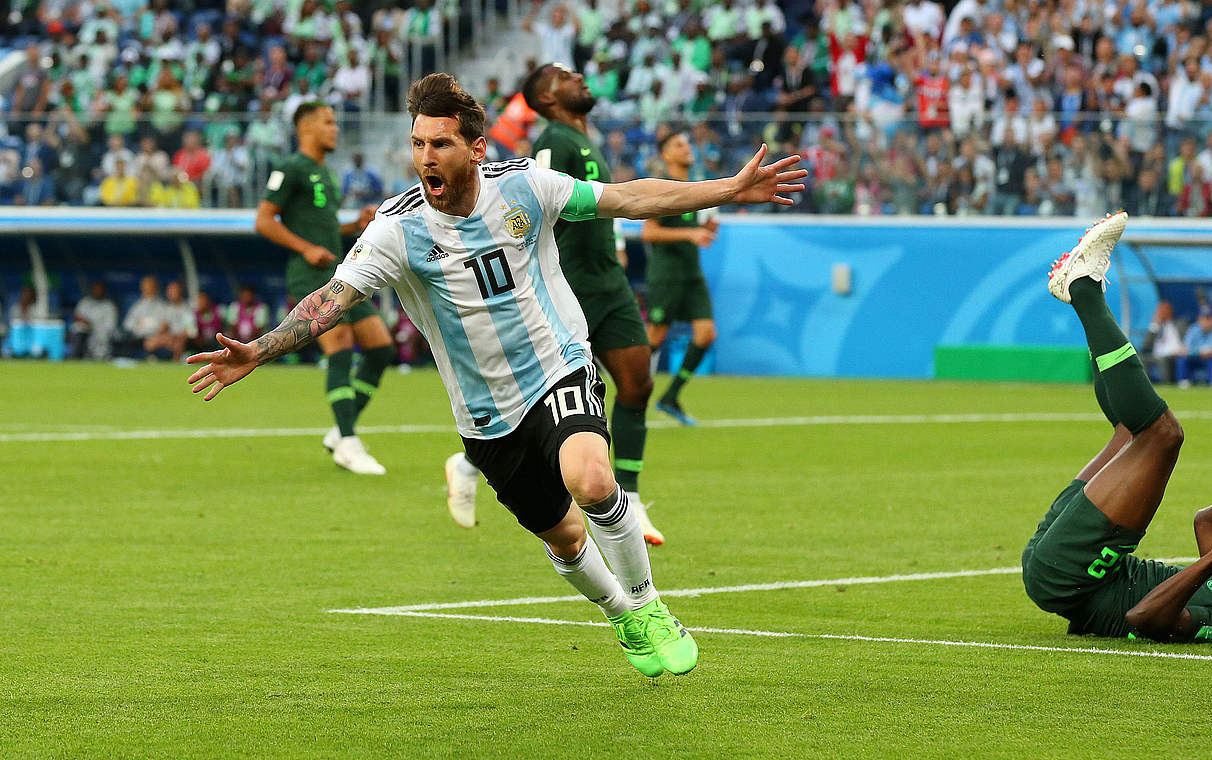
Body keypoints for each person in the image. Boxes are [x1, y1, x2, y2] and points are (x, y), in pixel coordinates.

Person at [184, 72, 806, 677]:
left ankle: (647, 604)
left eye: (442, 144)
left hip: (558, 366)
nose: (426, 158)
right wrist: (260, 349)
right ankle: (621, 613)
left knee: (590, 481)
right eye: (418, 144)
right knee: (563, 537)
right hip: (484, 413)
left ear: (476, 147)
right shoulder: (395, 232)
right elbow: (333, 298)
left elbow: (629, 197)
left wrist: (726, 188)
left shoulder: (527, 188)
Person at [1026, 211, 1212, 643]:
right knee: (1129, 432)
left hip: (1074, 572)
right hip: (1068, 563)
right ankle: (1087, 291)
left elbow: (1144, 620)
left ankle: (1081, 288)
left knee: (1164, 435)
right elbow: (1206, 520)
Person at [450, 62, 664, 542]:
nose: (580, 78)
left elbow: (603, 204)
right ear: (545, 99)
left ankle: (628, 495)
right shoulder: (554, 142)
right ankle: (470, 464)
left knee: (637, 384)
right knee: (552, 389)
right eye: (564, 77)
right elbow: (535, 202)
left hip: (608, 280)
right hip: (569, 284)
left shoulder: (584, 138)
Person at [256, 102, 396, 475]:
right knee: (341, 347)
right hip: (309, 273)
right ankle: (349, 442)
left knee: (381, 348)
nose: (335, 129)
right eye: (328, 123)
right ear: (306, 128)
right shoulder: (291, 168)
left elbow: (326, 230)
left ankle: (340, 431)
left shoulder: (326, 174)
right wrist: (305, 248)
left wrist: (354, 225)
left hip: (340, 273)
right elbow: (264, 220)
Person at [643, 131, 719, 425]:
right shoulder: (664, 188)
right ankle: (622, 390)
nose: (687, 148)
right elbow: (649, 232)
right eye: (678, 145)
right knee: (656, 337)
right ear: (666, 155)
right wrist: (690, 233)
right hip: (667, 275)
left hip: (692, 274)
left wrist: (707, 227)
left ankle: (670, 396)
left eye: (687, 143)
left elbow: (702, 230)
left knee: (706, 334)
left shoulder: (696, 189)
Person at [1176, 305, 1212, 387]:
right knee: (1183, 360)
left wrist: (1208, 352)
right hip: (1196, 356)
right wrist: (1198, 352)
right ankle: (1183, 382)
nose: (1206, 321)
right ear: (1199, 319)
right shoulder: (1193, 329)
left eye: (1209, 318)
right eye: (1204, 318)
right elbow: (1185, 349)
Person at [71, 281, 118, 360]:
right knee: (78, 329)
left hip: (101, 333)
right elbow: (76, 316)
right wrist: (86, 323)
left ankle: (99, 357)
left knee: (101, 340)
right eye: (95, 289)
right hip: (85, 332)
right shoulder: (85, 301)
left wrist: (92, 325)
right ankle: (76, 357)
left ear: (104, 291)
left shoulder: (109, 305)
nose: (97, 291)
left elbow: (110, 326)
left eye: (100, 289)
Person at [1140, 300, 1184, 383]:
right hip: (1157, 355)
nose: (1162, 312)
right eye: (1160, 310)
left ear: (1170, 311)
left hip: (1174, 354)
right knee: (1142, 359)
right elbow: (1146, 345)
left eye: (1164, 310)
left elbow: (1185, 340)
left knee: (1162, 360)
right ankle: (1146, 384)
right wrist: (1154, 325)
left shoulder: (1179, 324)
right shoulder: (1156, 327)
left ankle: (1166, 383)